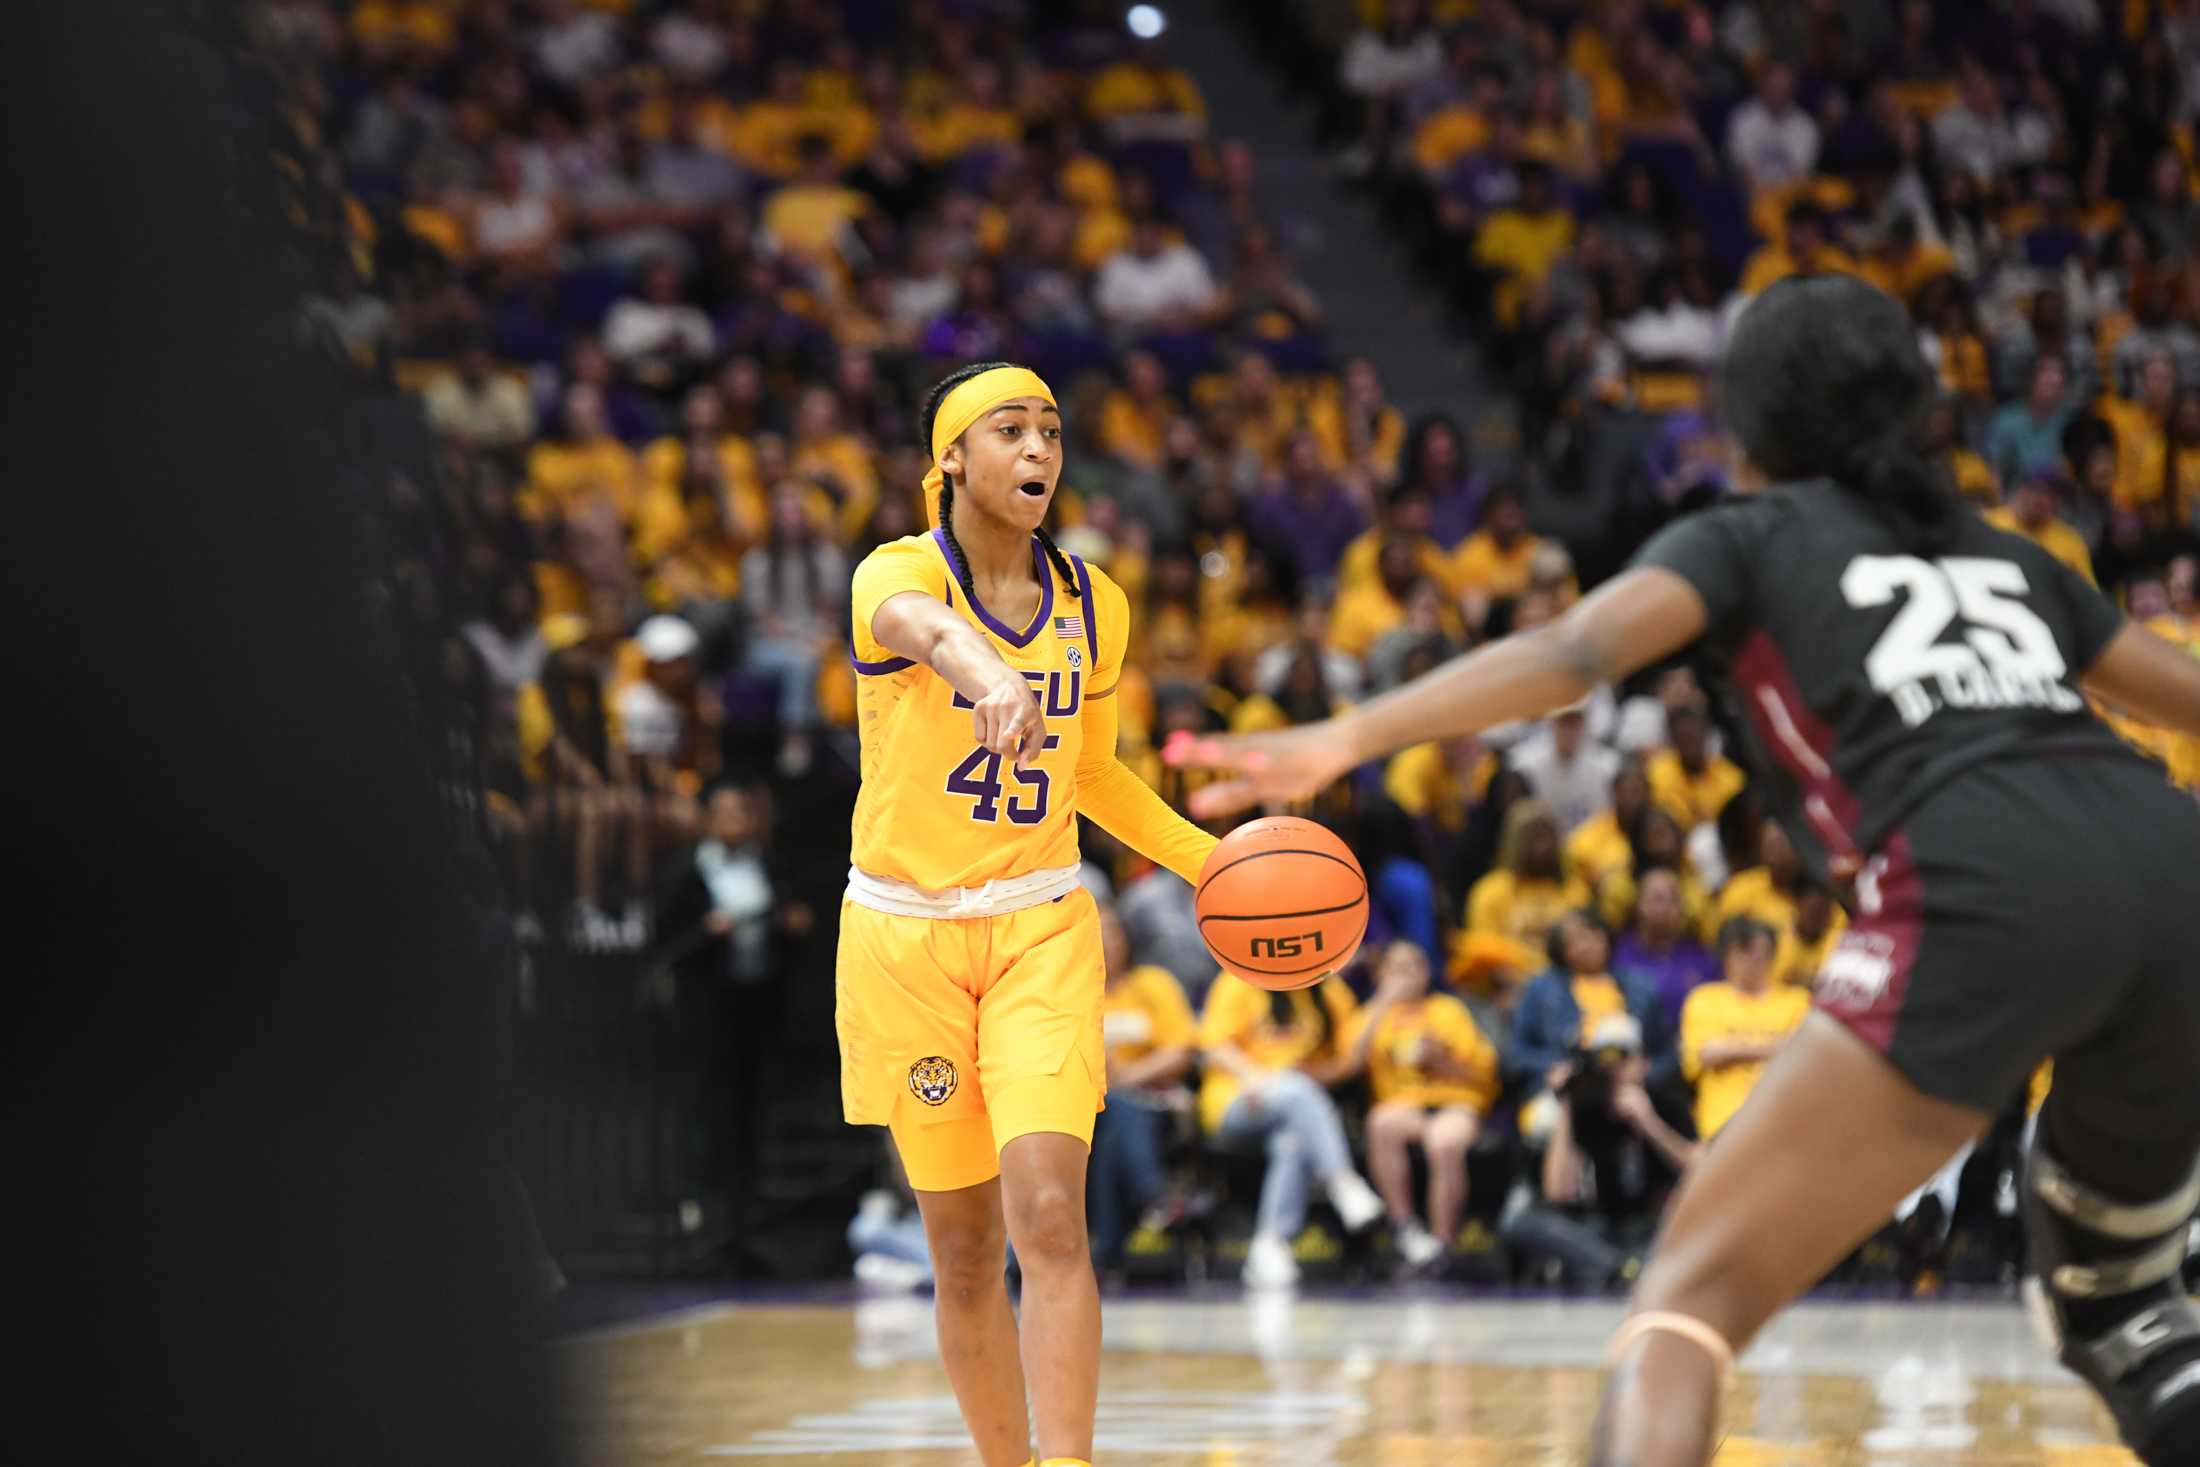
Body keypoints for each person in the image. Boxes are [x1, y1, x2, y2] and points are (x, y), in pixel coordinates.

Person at [1170, 275, 2200, 1465]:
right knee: (2124, 1311)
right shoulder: (2010, 556)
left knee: (1681, 1309)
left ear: (1750, 428)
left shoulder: (1746, 536)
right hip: (2169, 867)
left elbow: (1575, 649)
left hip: (1979, 873)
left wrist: (1345, 736)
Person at [835, 362, 1219, 1467]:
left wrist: (1210, 860)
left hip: (1040, 924)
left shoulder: (1097, 601)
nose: (1038, 451)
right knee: (959, 1251)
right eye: (1009, 430)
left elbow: (1094, 775)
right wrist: (981, 668)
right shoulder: (892, 572)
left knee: (1048, 1215)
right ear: (951, 456)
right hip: (903, 939)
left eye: (1050, 430)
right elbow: (917, 627)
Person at [1196, 968, 1385, 1289]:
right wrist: (1251, 1075)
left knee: (1292, 1141)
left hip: (1296, 1107)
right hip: (1237, 1100)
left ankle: (1269, 1247)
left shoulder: (1328, 987)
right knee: (1297, 1089)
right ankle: (1342, 1181)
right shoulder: (1237, 979)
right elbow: (1212, 1044)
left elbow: (1349, 1057)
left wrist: (1384, 1000)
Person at [1343, 940, 1500, 1270]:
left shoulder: (1449, 1010)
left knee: (1442, 1143)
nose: (1408, 975)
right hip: (1404, 1106)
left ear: (1428, 971)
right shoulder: (1370, 1015)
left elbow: (1484, 1076)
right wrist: (1383, 1002)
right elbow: (1351, 1064)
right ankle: (1406, 1230)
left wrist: (1440, 1060)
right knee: (1381, 1124)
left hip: (1455, 1102)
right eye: (1397, 968)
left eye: (1415, 965)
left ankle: (1443, 1246)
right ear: (1380, 974)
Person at [1089, 905, 1195, 1271]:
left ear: (1126, 939)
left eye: (1110, 932)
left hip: (1155, 1102)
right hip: (1088, 1105)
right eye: (1093, 933)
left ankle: (1110, 1248)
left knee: (1120, 1112)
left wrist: (1128, 1077)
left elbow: (1180, 1051)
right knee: (1110, 1126)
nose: (1103, 941)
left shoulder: (1153, 984)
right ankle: (1153, 1198)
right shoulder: (1072, 994)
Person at [1679, 918, 1810, 1141]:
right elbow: (1708, 1054)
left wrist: (1732, 1050)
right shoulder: (1704, 999)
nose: (1753, 961)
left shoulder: (1797, 1000)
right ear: (1726, 955)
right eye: (1744, 952)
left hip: (1785, 1117)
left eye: (1762, 953)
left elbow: (1805, 1054)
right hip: (1722, 1122)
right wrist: (1777, 1047)